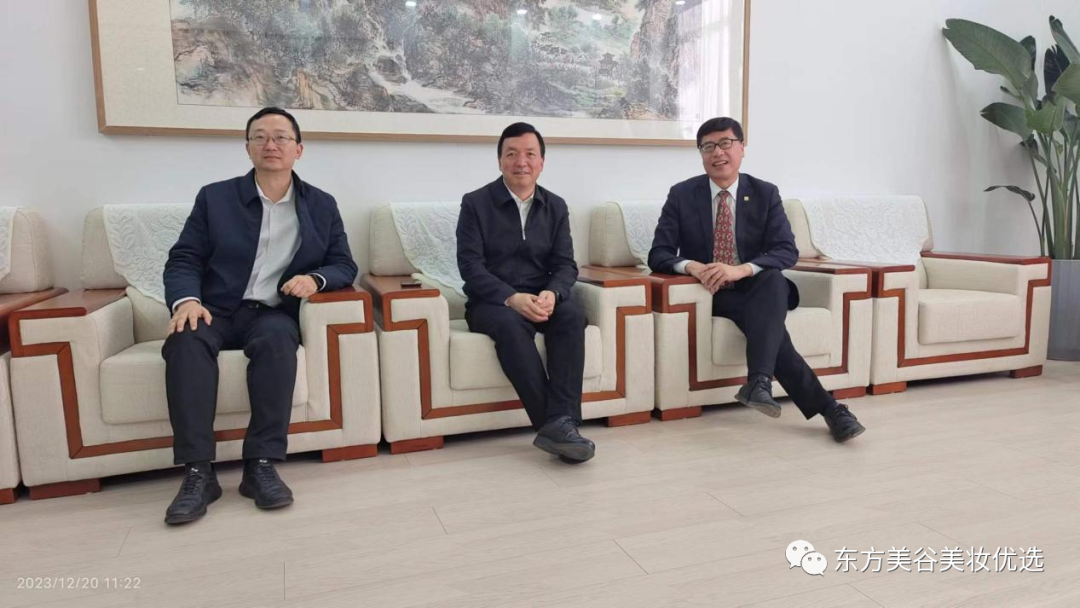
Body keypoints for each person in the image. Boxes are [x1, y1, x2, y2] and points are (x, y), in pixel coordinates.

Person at [161, 107, 358, 524]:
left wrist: (316, 279)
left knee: (279, 341)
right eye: (260, 137)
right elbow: (184, 258)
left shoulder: (321, 205)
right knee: (185, 340)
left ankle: (261, 465)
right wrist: (187, 301)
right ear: (248, 147)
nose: (271, 144)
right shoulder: (215, 197)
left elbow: (344, 263)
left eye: (281, 137)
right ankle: (198, 472)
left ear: (298, 149)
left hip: (270, 311)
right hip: (214, 308)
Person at [648, 117, 865, 443]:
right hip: (713, 293)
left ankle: (762, 382)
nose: (717, 153)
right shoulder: (682, 195)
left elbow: (786, 250)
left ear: (742, 148)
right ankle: (827, 408)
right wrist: (693, 267)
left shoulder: (764, 193)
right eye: (708, 147)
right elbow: (658, 254)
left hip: (757, 287)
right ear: (701, 154)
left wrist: (740, 269)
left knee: (773, 280)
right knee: (772, 329)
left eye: (725, 143)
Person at [456, 122, 595, 463]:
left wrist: (553, 293)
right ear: (500, 160)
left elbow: (565, 264)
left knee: (572, 315)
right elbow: (470, 266)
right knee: (509, 325)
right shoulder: (475, 203)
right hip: (492, 302)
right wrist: (511, 297)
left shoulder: (556, 206)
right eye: (512, 154)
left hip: (540, 295)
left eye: (530, 154)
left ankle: (560, 426)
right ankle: (559, 425)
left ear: (542, 162)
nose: (521, 162)